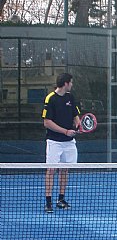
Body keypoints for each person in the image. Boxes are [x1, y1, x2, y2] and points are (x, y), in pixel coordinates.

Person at [42, 72, 81, 214]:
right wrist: (65, 131)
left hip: (69, 143)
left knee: (65, 170)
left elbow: (76, 116)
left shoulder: (70, 97)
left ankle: (61, 199)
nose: (72, 84)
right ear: (65, 83)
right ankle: (48, 202)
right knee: (51, 171)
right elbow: (47, 122)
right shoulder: (50, 98)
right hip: (54, 142)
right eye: (71, 82)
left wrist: (77, 126)